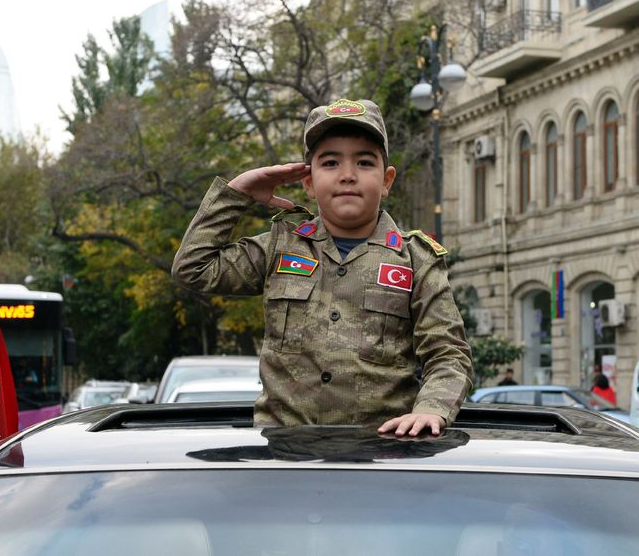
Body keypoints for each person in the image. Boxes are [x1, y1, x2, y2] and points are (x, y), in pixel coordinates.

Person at [172, 98, 474, 437]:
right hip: (284, 456)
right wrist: (236, 193)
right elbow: (194, 268)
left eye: (364, 162)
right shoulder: (280, 246)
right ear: (309, 183)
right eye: (330, 163)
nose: (347, 175)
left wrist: (432, 408)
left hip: (381, 456)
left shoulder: (416, 259)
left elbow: (448, 353)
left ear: (386, 180)